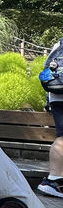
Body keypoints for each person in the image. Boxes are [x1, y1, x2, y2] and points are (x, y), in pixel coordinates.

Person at [37, 38, 63, 198]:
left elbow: (48, 70)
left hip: (57, 96)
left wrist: (48, 101)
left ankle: (54, 179)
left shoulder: (59, 44)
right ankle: (52, 181)